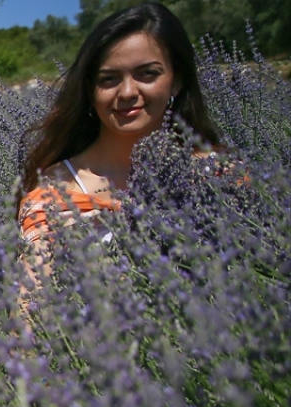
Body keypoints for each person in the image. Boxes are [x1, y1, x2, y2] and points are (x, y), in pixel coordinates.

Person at [16, 2, 225, 276]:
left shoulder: (219, 176)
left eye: (147, 73)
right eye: (109, 78)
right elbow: (30, 309)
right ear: (91, 91)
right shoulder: (56, 193)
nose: (127, 91)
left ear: (176, 81)